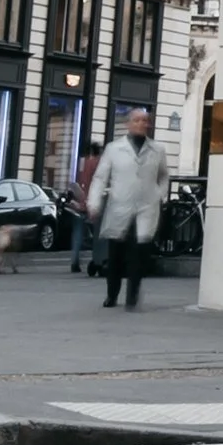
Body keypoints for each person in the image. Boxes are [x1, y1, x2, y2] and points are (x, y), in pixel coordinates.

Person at [86, 109, 171, 311]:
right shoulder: (114, 149)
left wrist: (160, 195)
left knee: (139, 255)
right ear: (129, 124)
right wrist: (94, 203)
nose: (141, 123)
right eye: (137, 120)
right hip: (120, 206)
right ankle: (112, 294)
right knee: (115, 255)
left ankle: (132, 295)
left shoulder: (157, 149)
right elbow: (100, 177)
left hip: (146, 207)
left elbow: (164, 176)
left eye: (145, 120)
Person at [64, 141, 100, 274]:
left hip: (80, 201)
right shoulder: (98, 163)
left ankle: (75, 262)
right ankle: (97, 258)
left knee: (78, 233)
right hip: (93, 203)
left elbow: (79, 181)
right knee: (97, 234)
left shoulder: (82, 163)